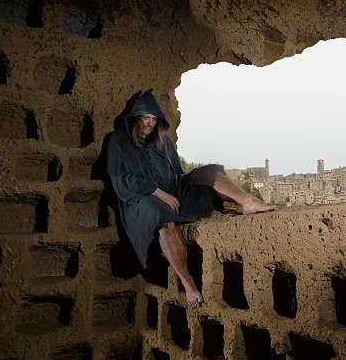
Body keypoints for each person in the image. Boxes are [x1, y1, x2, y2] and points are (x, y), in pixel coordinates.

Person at [107, 89, 276, 307]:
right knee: (163, 219)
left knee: (208, 172)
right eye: (145, 118)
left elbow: (177, 174)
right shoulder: (118, 141)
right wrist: (158, 193)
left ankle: (248, 202)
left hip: (171, 192)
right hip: (140, 200)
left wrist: (189, 185)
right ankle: (189, 284)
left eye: (153, 118)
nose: (149, 123)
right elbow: (121, 180)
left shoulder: (163, 142)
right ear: (136, 117)